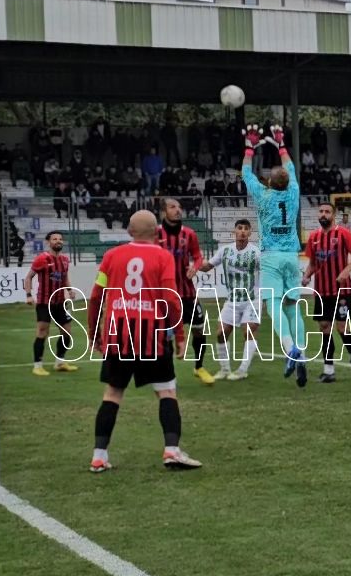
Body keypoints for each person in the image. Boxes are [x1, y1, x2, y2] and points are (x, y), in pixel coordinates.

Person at [87, 210, 202, 472]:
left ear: (129, 231)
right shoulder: (163, 256)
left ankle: (99, 455)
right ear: (157, 233)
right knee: (166, 391)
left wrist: (95, 333)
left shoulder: (111, 256)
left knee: (113, 393)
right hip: (154, 335)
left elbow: (96, 297)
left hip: (118, 334)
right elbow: (171, 299)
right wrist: (181, 335)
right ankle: (172, 451)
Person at [241, 124, 311, 387]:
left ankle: (290, 347)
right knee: (293, 306)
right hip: (293, 256)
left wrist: (250, 146)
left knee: (273, 306)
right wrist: (281, 144)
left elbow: (246, 172)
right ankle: (302, 353)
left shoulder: (262, 195)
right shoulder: (293, 192)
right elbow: (290, 167)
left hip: (271, 256)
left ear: (269, 181)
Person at [304, 202, 351, 383]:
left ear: (333, 215)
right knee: (324, 328)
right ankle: (329, 370)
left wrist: (346, 271)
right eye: (321, 211)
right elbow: (313, 264)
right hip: (321, 291)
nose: (323, 214)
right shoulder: (313, 237)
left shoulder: (343, 233)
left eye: (327, 212)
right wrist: (306, 276)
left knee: (342, 327)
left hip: (342, 290)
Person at [198, 219, 262, 380]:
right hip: (232, 300)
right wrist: (192, 262)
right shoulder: (225, 250)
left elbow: (267, 272)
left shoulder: (256, 253)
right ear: (234, 231)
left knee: (249, 331)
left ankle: (242, 370)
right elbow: (207, 267)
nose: (242, 231)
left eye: (246, 229)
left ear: (250, 233)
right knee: (220, 333)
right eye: (239, 228)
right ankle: (225, 369)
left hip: (252, 299)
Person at [158, 198, 212, 385]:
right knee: (166, 335)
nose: (178, 210)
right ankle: (168, 372)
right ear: (164, 212)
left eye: (179, 207)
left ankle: (199, 367)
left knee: (199, 330)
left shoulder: (189, 234)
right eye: (173, 207)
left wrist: (195, 267)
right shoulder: (155, 234)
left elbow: (197, 256)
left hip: (188, 293)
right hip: (165, 295)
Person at [23, 231, 79, 376]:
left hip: (60, 302)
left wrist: (69, 290)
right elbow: (28, 277)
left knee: (67, 332)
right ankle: (37, 365)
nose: (58, 241)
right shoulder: (42, 259)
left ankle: (59, 362)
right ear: (48, 242)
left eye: (60, 239)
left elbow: (64, 277)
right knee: (43, 331)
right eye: (54, 239)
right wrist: (28, 295)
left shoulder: (65, 260)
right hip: (44, 302)